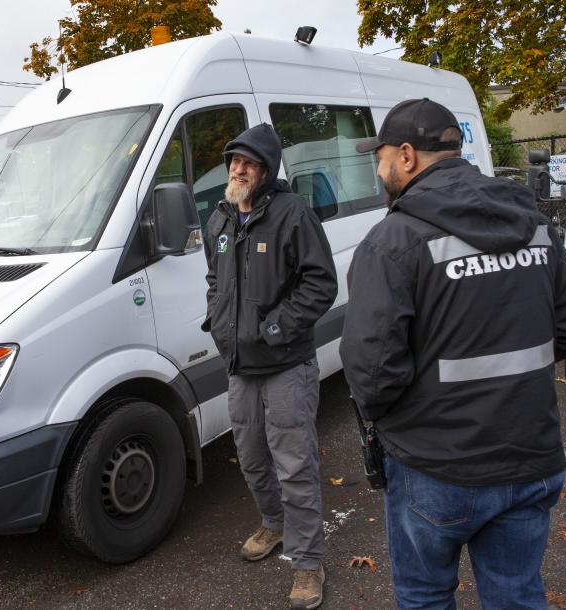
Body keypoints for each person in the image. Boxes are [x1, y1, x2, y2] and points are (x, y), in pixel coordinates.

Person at [340, 98, 566, 609]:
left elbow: (370, 372)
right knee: (516, 595)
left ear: (406, 156)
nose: (378, 165)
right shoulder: (534, 222)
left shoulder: (393, 240)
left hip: (436, 467)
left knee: (425, 596)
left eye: (381, 154)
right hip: (529, 455)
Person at [202, 123, 338, 610]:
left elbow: (321, 284)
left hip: (285, 364)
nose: (239, 169)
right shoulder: (219, 217)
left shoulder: (292, 214)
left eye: (250, 163)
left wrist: (275, 328)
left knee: (294, 463)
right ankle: (275, 523)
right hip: (240, 365)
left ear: (266, 171)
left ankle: (307, 563)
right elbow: (215, 279)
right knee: (252, 455)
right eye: (234, 161)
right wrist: (220, 323)